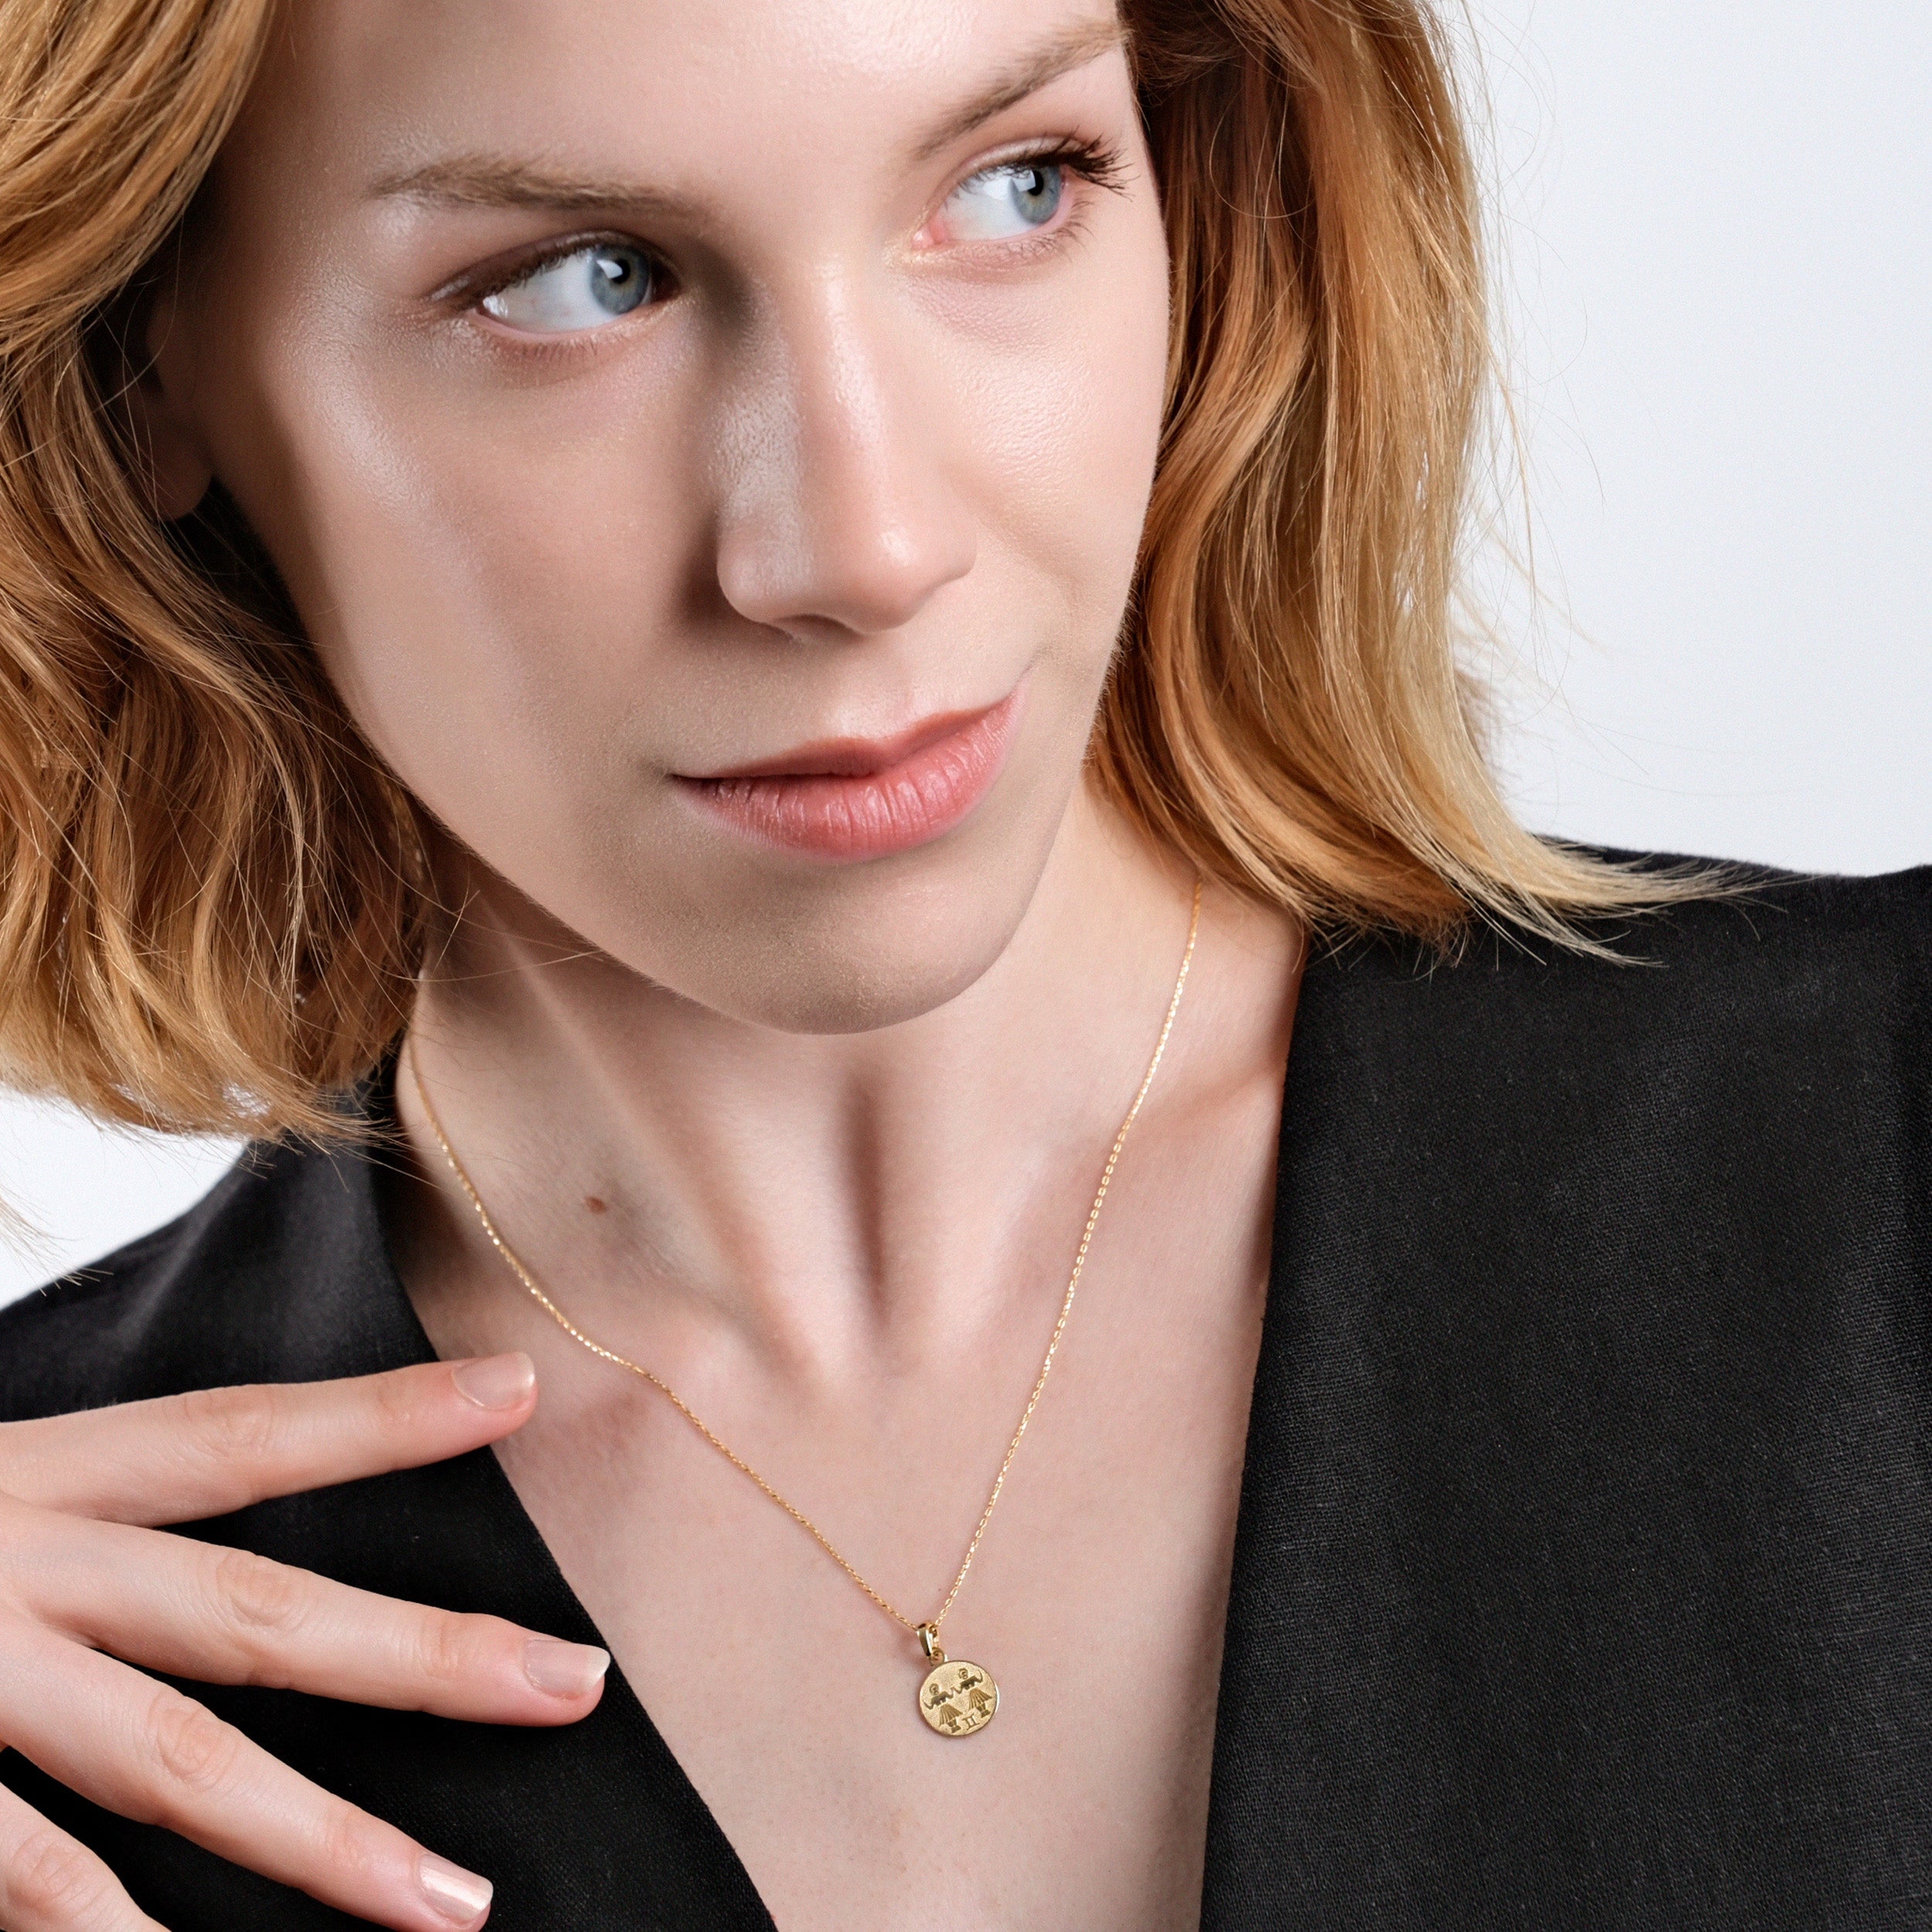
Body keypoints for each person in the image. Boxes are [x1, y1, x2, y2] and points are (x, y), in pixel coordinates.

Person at [0, 0, 1925, 1927]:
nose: (863, 540)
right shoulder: (53, 1631)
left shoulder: (1871, 1152)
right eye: (581, 284)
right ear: (135, 358)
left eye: (1016, 186)